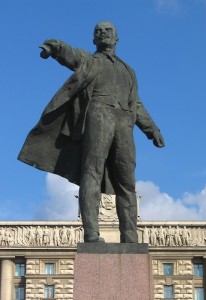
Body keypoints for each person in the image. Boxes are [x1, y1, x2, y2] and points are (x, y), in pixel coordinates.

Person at [18, 21, 165, 243]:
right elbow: (70, 53)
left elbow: (136, 104)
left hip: (124, 121)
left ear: (117, 39)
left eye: (108, 31)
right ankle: (92, 233)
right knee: (92, 172)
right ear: (93, 40)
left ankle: (130, 236)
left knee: (127, 180)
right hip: (98, 114)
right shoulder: (90, 60)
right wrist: (54, 47)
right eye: (98, 31)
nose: (103, 33)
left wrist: (151, 129)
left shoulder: (129, 71)